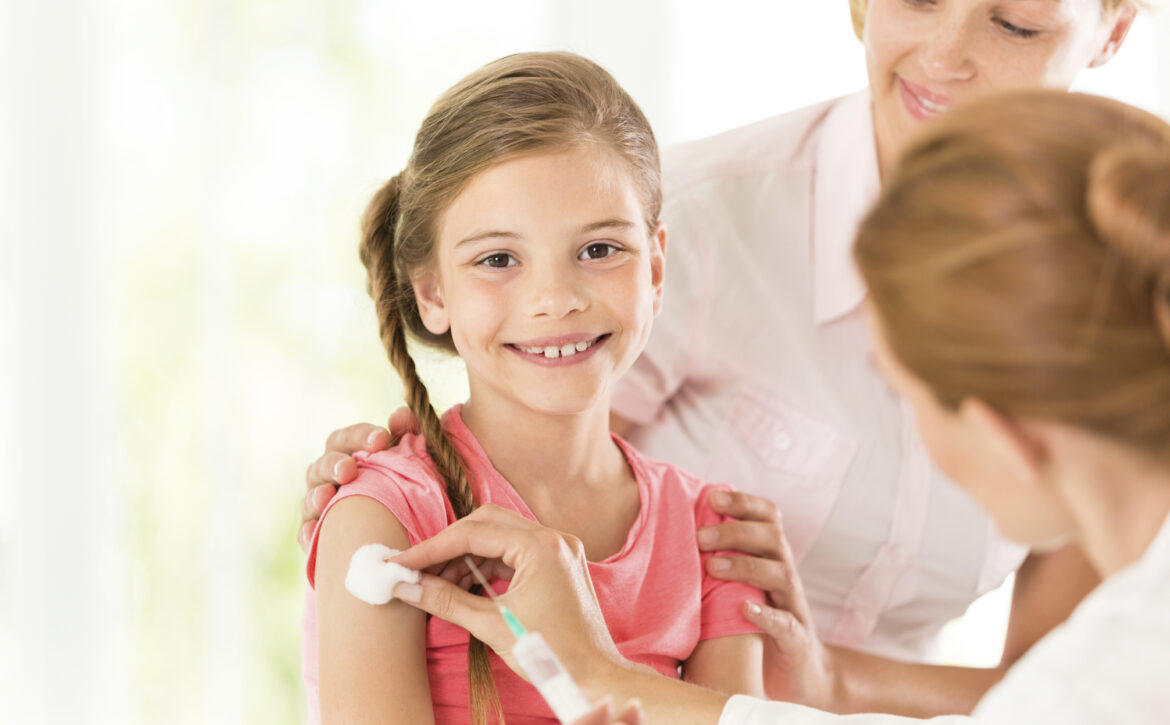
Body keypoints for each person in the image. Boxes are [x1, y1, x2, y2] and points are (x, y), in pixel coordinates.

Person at [302, 0, 1149, 716]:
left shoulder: (1118, 279)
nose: (947, 54)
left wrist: (817, 683)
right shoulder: (719, 219)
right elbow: (527, 427)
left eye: (1015, 24)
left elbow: (1052, 692)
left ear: (1113, 28)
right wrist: (384, 485)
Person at [303, 51, 768, 725]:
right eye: (498, 259)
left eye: (599, 249)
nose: (555, 299)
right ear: (432, 292)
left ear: (657, 268)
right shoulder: (386, 520)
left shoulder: (712, 535)